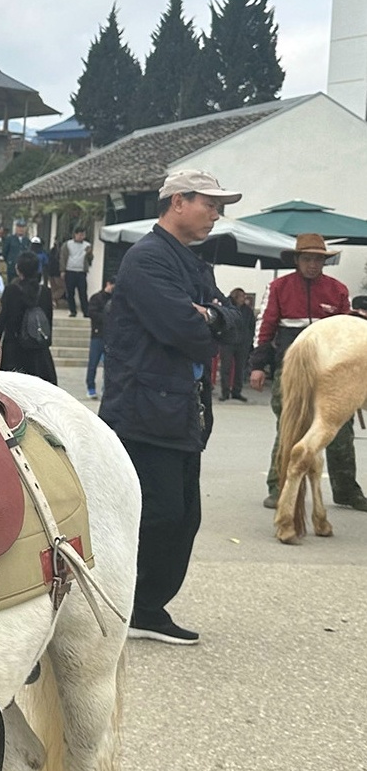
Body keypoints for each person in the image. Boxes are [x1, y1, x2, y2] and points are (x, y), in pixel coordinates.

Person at [99, 170, 246, 646]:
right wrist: (207, 319)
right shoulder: (147, 259)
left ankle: (144, 607)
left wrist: (212, 315)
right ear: (178, 201)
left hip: (181, 411)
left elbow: (238, 324)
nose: (216, 214)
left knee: (183, 516)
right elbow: (185, 330)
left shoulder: (193, 264)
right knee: (157, 514)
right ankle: (127, 605)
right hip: (144, 410)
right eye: (210, 204)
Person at [248, 233, 365, 511]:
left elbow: (349, 329)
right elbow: (265, 327)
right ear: (297, 260)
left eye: (318, 260)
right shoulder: (279, 287)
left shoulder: (338, 290)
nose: (313, 265)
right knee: (289, 424)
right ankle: (278, 488)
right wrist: (257, 366)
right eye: (308, 259)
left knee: (341, 427)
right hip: (292, 367)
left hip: (333, 369)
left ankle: (346, 490)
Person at [0, 252, 56, 384]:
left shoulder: (11, 290)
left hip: (13, 350)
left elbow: (1, 320)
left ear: (18, 269)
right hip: (38, 350)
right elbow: (48, 321)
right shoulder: (45, 292)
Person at [216, 287, 254, 402]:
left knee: (240, 369)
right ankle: (225, 392)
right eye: (242, 296)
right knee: (225, 368)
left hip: (242, 343)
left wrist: (249, 340)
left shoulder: (247, 310)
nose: (244, 299)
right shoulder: (226, 307)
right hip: (227, 342)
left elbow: (251, 325)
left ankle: (237, 391)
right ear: (236, 296)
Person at [84, 277, 114, 399]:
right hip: (98, 335)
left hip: (110, 336)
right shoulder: (96, 298)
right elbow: (92, 313)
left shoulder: (116, 299)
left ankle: (106, 388)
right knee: (93, 363)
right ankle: (90, 387)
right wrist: (106, 317)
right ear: (108, 284)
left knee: (109, 365)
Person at [58, 229, 94, 317]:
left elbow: (90, 259)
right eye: (80, 235)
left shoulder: (87, 245)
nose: (81, 237)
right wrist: (62, 270)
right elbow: (63, 257)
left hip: (81, 272)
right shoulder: (67, 244)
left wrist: (89, 253)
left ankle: (85, 311)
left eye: (83, 235)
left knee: (83, 292)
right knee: (70, 292)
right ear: (75, 235)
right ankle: (73, 311)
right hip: (70, 270)